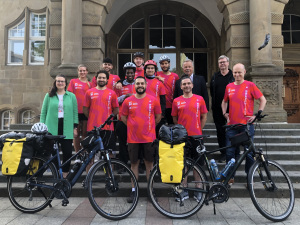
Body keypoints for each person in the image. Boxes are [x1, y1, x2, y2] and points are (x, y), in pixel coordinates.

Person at [221, 63, 267, 184]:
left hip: (246, 126)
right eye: (235, 72)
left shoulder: (250, 85)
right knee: (230, 152)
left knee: (249, 154)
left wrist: (257, 114)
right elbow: (224, 102)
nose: (237, 74)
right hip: (232, 125)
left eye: (239, 72)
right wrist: (225, 113)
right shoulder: (229, 86)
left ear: (244, 72)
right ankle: (230, 177)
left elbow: (263, 99)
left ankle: (249, 179)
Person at [121, 76, 162, 203]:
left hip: (149, 138)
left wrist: (149, 127)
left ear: (145, 85)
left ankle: (151, 190)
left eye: (142, 83)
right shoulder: (128, 101)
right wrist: (132, 126)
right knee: (134, 164)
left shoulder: (153, 100)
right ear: (134, 85)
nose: (140, 85)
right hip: (133, 139)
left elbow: (158, 116)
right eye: (137, 83)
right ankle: (134, 191)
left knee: (150, 164)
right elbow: (123, 117)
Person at [172, 76, 208, 202]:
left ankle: (198, 190)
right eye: (184, 84)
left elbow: (204, 116)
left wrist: (199, 130)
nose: (186, 86)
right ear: (180, 87)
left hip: (197, 137)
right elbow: (175, 119)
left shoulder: (200, 99)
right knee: (182, 165)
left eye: (188, 83)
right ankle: (184, 190)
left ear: (192, 85)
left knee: (198, 164)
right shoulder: (176, 101)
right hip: (182, 138)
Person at [40, 74, 78, 178]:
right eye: (58, 81)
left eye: (62, 81)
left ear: (66, 83)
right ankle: (57, 171)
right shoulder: (49, 95)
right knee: (53, 153)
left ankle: (65, 173)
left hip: (67, 126)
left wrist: (75, 127)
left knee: (67, 153)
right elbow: (43, 112)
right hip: (51, 127)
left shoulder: (71, 96)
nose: (60, 83)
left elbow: (75, 113)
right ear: (55, 83)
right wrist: (42, 127)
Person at [83, 70, 119, 160]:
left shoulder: (112, 93)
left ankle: (109, 174)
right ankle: (89, 174)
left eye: (103, 78)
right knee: (90, 154)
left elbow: (116, 109)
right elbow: (85, 109)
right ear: (96, 79)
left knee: (109, 154)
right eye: (99, 77)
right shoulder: (89, 92)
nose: (101, 79)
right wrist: (92, 117)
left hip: (107, 128)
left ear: (107, 80)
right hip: (92, 128)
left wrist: (109, 118)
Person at [210, 55, 234, 163]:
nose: (222, 64)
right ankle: (223, 153)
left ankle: (232, 152)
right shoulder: (215, 76)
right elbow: (212, 91)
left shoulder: (233, 76)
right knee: (220, 131)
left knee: (232, 131)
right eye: (220, 63)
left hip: (232, 108)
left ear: (228, 63)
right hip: (217, 108)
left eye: (224, 62)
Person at [115, 62, 136, 173]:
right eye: (128, 73)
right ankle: (122, 164)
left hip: (136, 119)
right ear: (125, 73)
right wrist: (126, 96)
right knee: (122, 143)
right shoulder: (120, 85)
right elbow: (115, 100)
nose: (130, 74)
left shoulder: (139, 84)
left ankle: (137, 163)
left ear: (134, 73)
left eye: (131, 72)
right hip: (122, 119)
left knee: (136, 143)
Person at [67, 64, 91, 154]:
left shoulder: (90, 84)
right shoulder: (73, 82)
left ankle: (83, 152)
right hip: (75, 111)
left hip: (85, 111)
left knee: (84, 133)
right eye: (80, 71)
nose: (82, 72)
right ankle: (77, 154)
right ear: (78, 72)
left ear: (87, 72)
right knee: (76, 134)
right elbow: (69, 96)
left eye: (84, 70)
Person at [144, 60, 166, 135]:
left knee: (156, 134)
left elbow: (163, 100)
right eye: (148, 68)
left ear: (155, 70)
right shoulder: (141, 81)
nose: (150, 70)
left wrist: (162, 113)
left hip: (156, 112)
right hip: (144, 110)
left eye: (152, 68)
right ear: (145, 70)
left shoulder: (159, 82)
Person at [157, 55, 179, 125]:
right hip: (160, 105)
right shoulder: (157, 74)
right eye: (162, 64)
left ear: (169, 64)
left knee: (172, 126)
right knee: (160, 126)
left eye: (166, 63)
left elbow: (178, 89)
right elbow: (147, 76)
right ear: (160, 65)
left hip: (171, 105)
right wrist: (157, 77)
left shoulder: (175, 76)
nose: (164, 65)